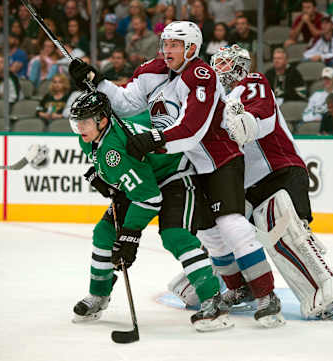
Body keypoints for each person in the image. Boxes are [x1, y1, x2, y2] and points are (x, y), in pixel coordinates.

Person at [69, 21, 283, 328]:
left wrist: (155, 140)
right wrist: (96, 83)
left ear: (192, 49)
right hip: (187, 164)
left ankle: (267, 295)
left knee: (232, 226)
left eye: (175, 45)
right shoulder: (153, 72)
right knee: (210, 235)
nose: (167, 50)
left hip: (218, 158)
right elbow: (126, 105)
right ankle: (236, 289)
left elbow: (192, 129)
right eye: (165, 43)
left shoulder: (200, 75)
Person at [70, 91, 232, 332]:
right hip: (147, 179)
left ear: (102, 120)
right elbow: (135, 180)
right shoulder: (90, 138)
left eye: (84, 121)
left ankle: (213, 301)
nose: (79, 127)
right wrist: (108, 182)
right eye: (76, 122)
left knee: (175, 235)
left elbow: (150, 198)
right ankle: (98, 296)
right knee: (103, 234)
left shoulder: (116, 150)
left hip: (176, 176)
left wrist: (129, 235)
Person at [209, 44, 333, 319]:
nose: (218, 68)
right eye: (217, 62)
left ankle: (324, 293)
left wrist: (247, 120)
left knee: (284, 233)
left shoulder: (251, 83)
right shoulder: (214, 103)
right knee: (217, 230)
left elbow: (263, 117)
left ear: (239, 66)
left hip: (279, 173)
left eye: (225, 63)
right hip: (247, 186)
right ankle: (238, 286)